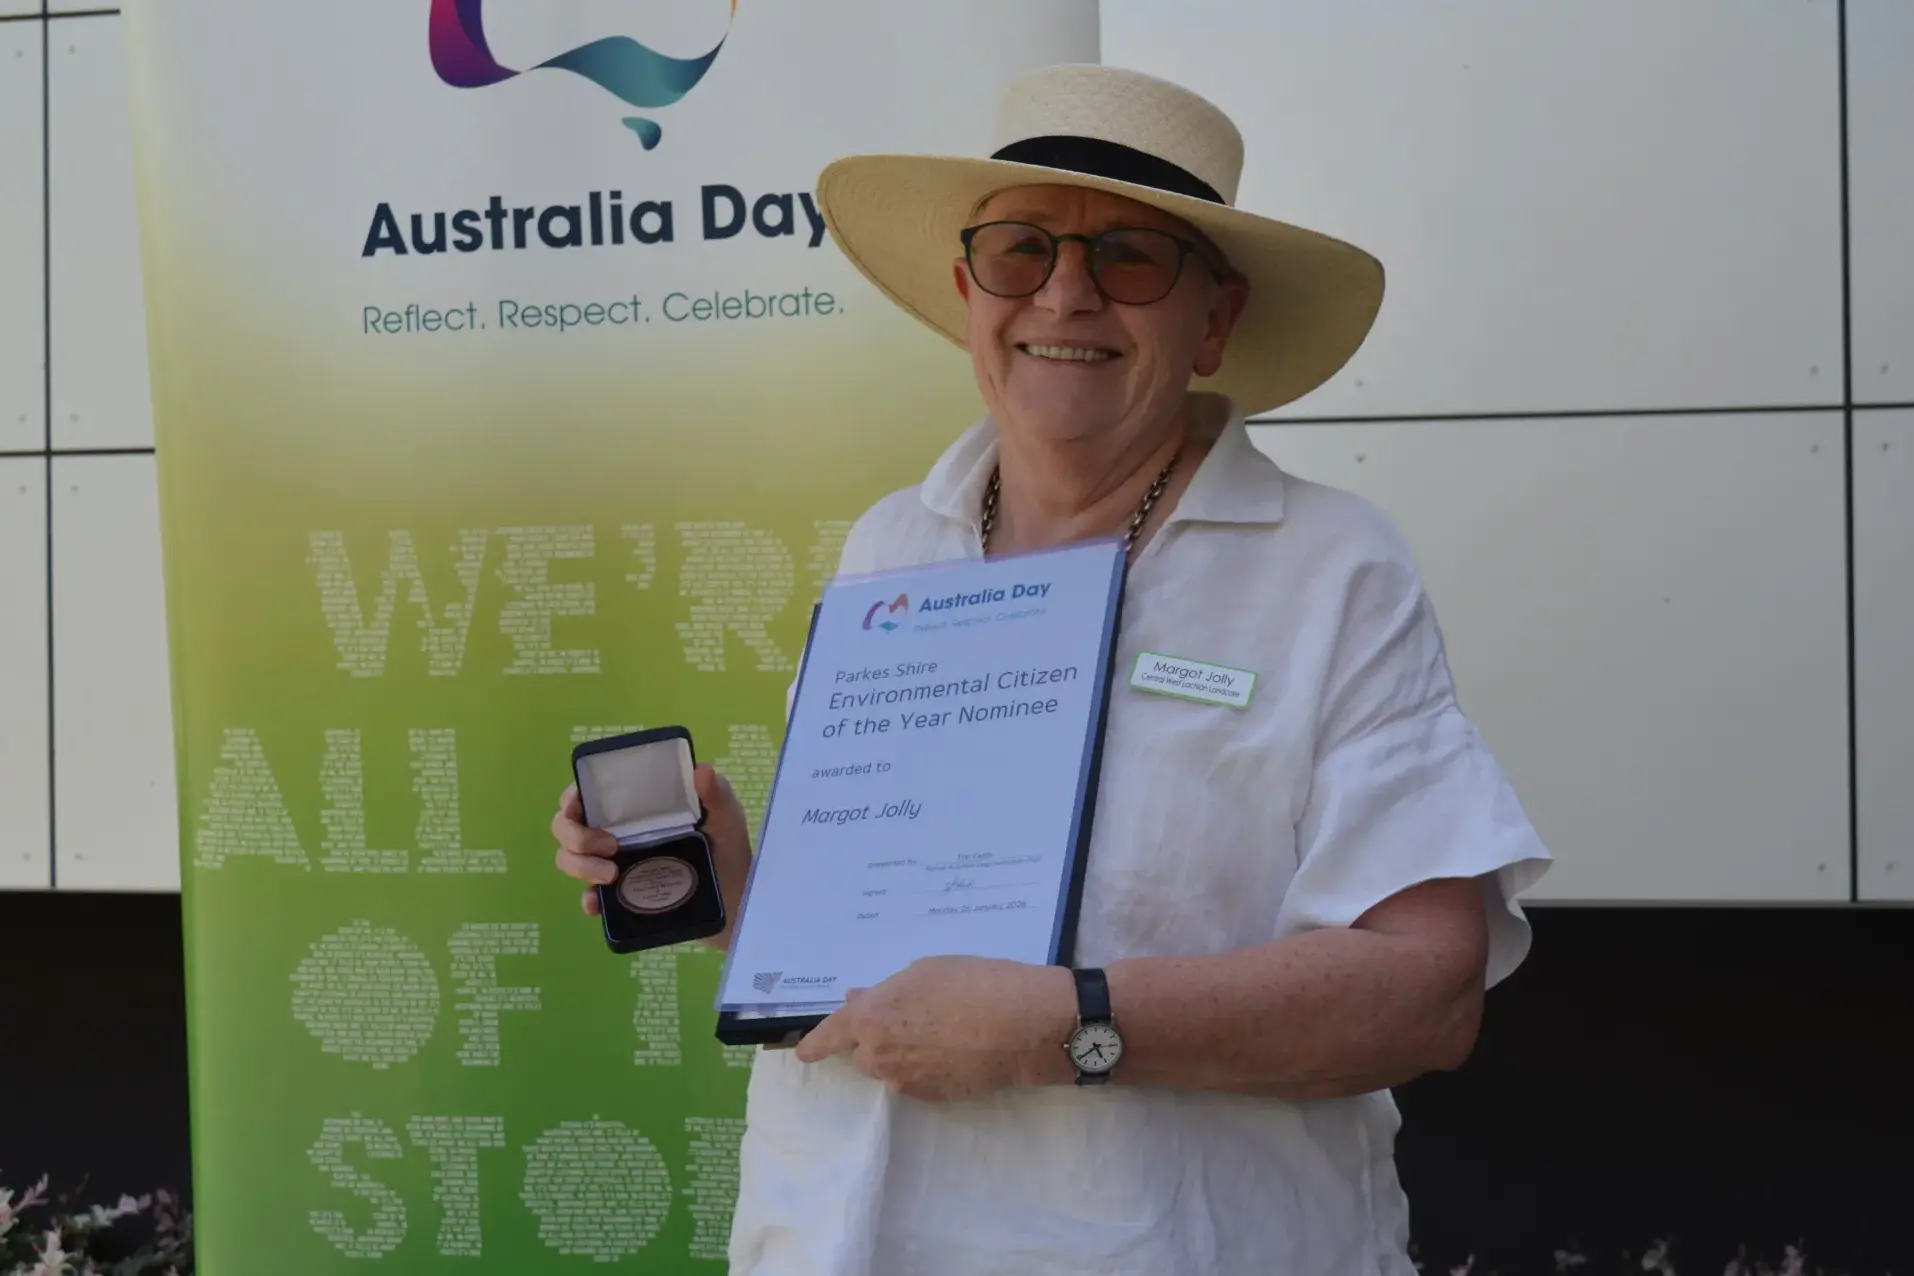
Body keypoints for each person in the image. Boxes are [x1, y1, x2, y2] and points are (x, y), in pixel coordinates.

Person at [553, 62, 1551, 1276]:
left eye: (1130, 257)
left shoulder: (1330, 569)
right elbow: (892, 955)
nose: (1066, 293)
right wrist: (742, 896)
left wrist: (1072, 1024)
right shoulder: (893, 542)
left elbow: (1426, 991)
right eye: (1023, 249)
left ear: (1214, 320)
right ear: (969, 292)